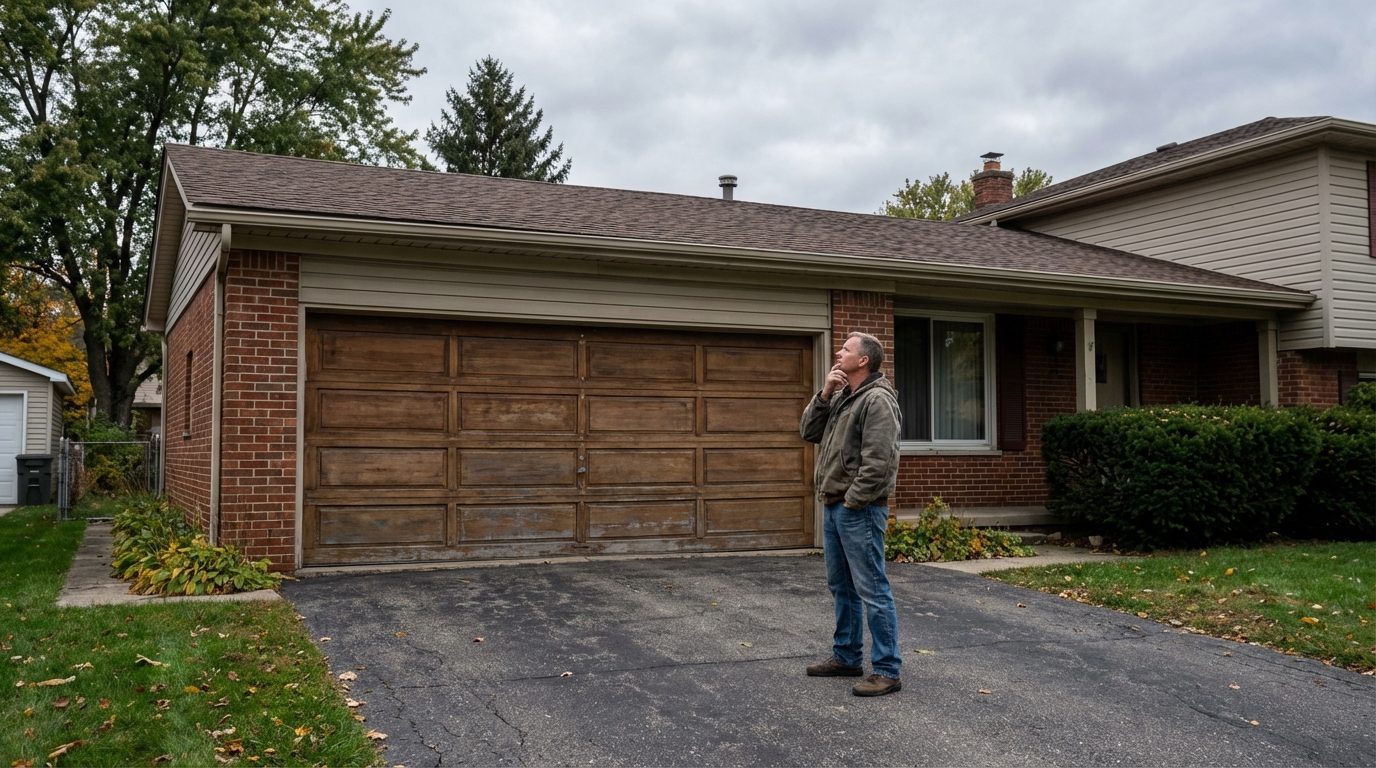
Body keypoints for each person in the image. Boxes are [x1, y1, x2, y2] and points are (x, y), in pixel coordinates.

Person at [799, 331, 903, 697]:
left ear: (863, 361)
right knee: (841, 588)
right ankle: (846, 657)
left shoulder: (877, 401)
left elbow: (880, 461)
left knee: (872, 589)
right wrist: (825, 393)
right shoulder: (844, 396)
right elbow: (808, 431)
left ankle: (887, 670)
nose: (838, 352)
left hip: (857, 510)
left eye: (846, 349)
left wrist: (852, 501)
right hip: (834, 506)